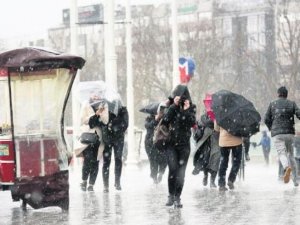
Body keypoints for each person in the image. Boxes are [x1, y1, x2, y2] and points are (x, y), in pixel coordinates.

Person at [161, 84, 196, 208]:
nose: (180, 98)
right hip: (171, 144)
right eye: (178, 96)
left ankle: (177, 197)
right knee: (172, 169)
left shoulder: (191, 107)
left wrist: (186, 110)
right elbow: (165, 121)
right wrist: (174, 106)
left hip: (184, 145)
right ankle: (171, 195)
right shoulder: (170, 106)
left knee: (181, 172)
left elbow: (192, 123)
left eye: (182, 97)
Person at [264, 86, 300, 186]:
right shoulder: (292, 103)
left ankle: (286, 167)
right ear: (286, 94)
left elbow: (266, 119)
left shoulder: (272, 104)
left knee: (281, 153)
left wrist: (272, 128)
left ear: (278, 94)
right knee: (291, 155)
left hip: (277, 134)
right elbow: (299, 114)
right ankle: (296, 180)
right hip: (289, 133)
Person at [89, 102, 128, 192]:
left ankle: (117, 182)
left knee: (118, 159)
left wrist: (113, 125)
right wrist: (98, 114)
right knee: (106, 161)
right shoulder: (102, 108)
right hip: (107, 139)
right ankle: (106, 186)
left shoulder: (123, 109)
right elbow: (92, 123)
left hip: (118, 139)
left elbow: (125, 124)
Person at [77, 92, 104, 192]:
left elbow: (105, 120)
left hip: (99, 137)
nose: (96, 96)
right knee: (87, 160)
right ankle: (84, 181)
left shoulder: (103, 105)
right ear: (90, 95)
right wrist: (94, 116)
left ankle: (91, 184)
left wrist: (101, 115)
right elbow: (83, 120)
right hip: (88, 136)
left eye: (97, 95)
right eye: (94, 94)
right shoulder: (86, 104)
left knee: (96, 161)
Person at [192, 112, 220, 188]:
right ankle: (205, 175)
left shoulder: (220, 115)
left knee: (216, 160)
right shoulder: (203, 117)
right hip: (205, 142)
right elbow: (200, 125)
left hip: (216, 142)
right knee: (206, 159)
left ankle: (212, 181)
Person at [214, 122, 243, 191]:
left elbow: (216, 128)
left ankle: (221, 184)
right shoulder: (239, 112)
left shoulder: (220, 112)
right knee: (236, 161)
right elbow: (243, 126)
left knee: (223, 162)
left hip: (224, 141)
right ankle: (231, 179)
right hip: (237, 140)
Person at [144, 113, 167, 184]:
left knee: (164, 158)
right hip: (150, 143)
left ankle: (161, 172)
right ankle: (154, 177)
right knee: (153, 160)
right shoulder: (149, 119)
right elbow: (147, 126)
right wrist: (156, 120)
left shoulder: (165, 118)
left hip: (162, 142)